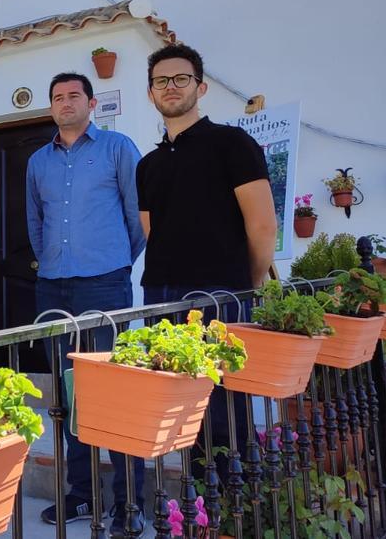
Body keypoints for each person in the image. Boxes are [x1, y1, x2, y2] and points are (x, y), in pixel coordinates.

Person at [136, 42, 276, 487]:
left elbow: (262, 226)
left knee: (225, 407)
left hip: (222, 293)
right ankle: (200, 505)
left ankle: (239, 508)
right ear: (150, 93)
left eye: (180, 79)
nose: (170, 87)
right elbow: (151, 231)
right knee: (179, 405)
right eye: (161, 81)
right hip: (161, 296)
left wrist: (244, 287)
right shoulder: (148, 164)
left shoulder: (232, 143)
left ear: (201, 86)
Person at [26, 72, 146, 535]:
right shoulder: (38, 161)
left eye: (74, 95)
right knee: (70, 397)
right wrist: (51, 262)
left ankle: (127, 503)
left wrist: (115, 261)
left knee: (113, 392)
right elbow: (35, 221)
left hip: (105, 286)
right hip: (54, 288)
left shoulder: (118, 148)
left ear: (91, 103)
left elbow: (139, 215)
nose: (65, 103)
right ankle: (80, 494)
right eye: (57, 97)